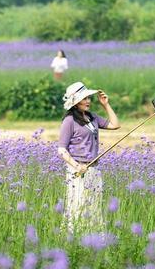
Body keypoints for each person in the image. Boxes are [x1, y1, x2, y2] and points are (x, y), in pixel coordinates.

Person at [57, 81, 120, 232]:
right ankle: (74, 238)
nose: (88, 101)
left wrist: (106, 105)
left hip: (94, 169)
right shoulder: (69, 121)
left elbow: (115, 124)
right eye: (84, 99)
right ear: (76, 102)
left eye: (88, 98)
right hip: (78, 170)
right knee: (78, 206)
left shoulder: (92, 117)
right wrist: (77, 166)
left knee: (94, 207)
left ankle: (93, 239)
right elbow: (61, 149)